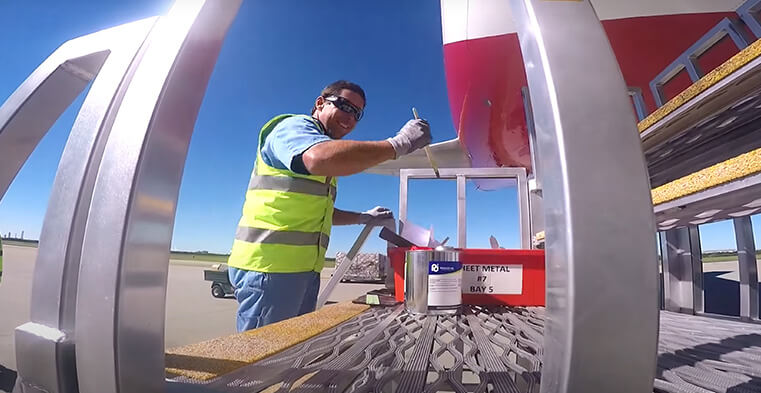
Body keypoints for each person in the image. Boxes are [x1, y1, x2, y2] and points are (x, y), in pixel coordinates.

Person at [227, 80, 431, 331]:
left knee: (289, 355)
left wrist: (362, 217)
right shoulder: (293, 128)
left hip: (301, 272)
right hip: (268, 269)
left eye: (357, 113)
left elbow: (322, 214)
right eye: (345, 106)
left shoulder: (324, 156)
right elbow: (318, 158)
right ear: (320, 103)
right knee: (262, 364)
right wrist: (398, 144)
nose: (350, 117)